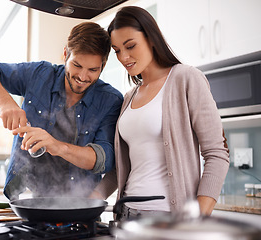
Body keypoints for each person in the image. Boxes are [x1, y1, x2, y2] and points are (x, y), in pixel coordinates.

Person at [91, 6, 229, 219]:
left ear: (152, 39)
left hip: (169, 219)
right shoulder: (128, 97)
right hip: (126, 215)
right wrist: (92, 199)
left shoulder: (186, 79)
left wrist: (197, 219)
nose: (124, 57)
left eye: (130, 46)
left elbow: (217, 154)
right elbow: (122, 168)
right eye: (117, 50)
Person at [0, 22, 123, 200]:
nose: (82, 76)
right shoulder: (39, 74)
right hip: (27, 197)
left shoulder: (110, 100)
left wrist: (56, 146)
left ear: (103, 66)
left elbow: (104, 158)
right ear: (65, 54)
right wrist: (6, 104)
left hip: (81, 205)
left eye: (93, 70)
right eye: (77, 65)